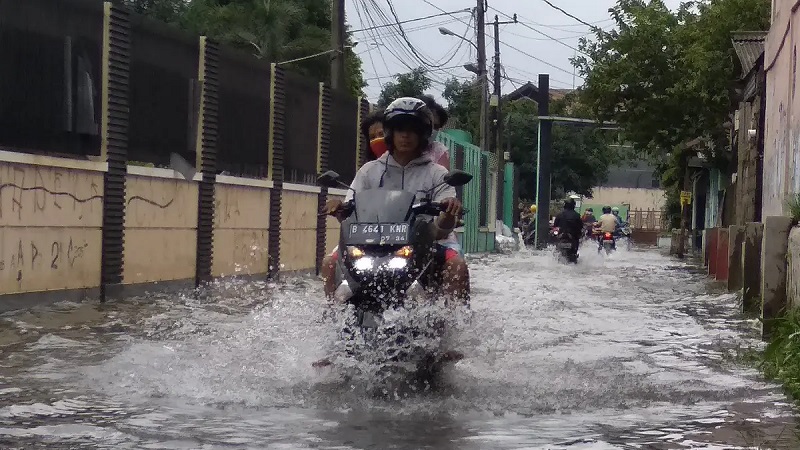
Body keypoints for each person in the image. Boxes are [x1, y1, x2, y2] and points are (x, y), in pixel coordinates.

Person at [322, 97, 469, 304]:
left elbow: (442, 229)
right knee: (329, 262)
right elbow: (350, 211)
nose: (405, 135)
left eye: (412, 129)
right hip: (372, 243)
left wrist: (448, 212)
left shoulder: (437, 174)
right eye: (400, 129)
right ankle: (332, 317)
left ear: (423, 133)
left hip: (427, 242)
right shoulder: (369, 171)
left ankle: (455, 323)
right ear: (390, 132)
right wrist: (339, 208)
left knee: (457, 266)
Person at [417, 95, 450, 169]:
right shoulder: (391, 149)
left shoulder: (439, 152)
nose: (431, 130)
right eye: (427, 125)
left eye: (436, 127)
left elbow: (443, 179)